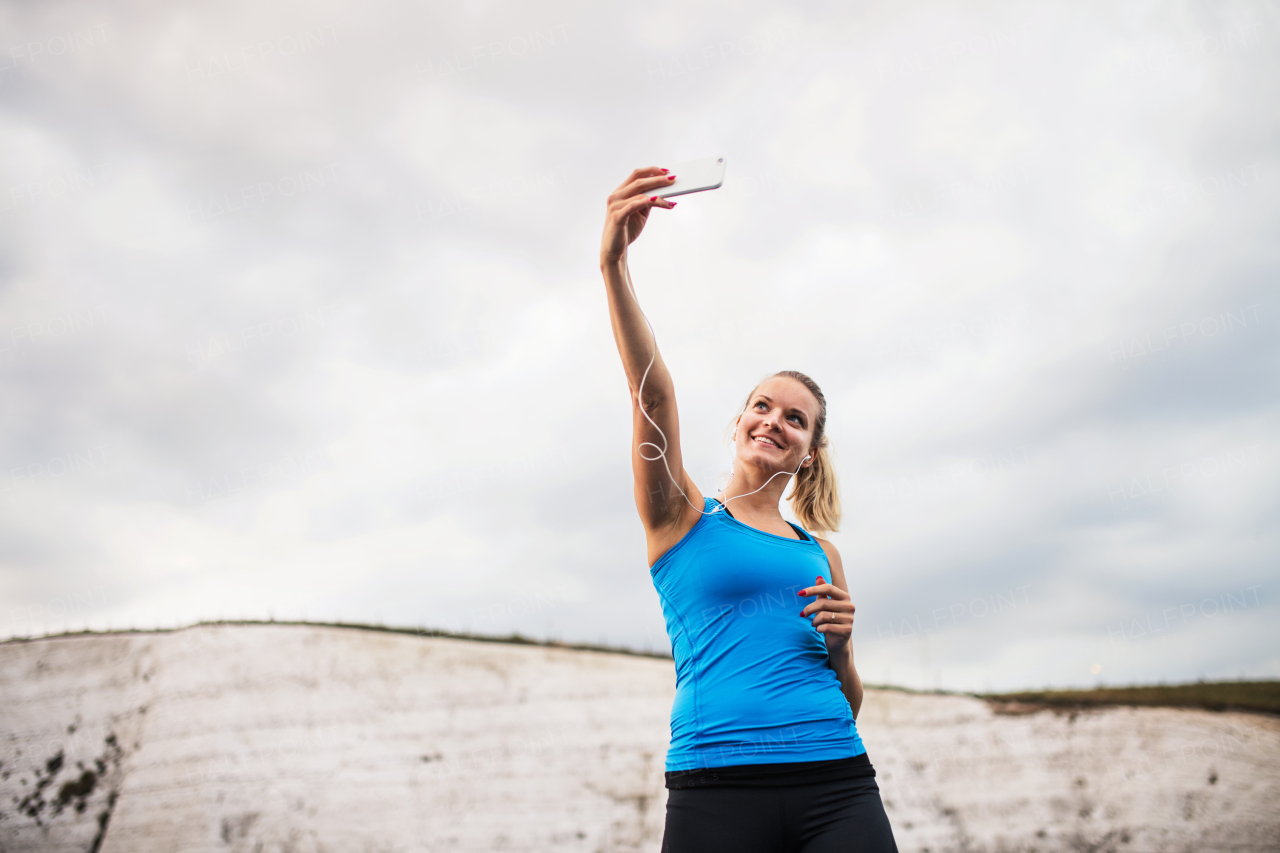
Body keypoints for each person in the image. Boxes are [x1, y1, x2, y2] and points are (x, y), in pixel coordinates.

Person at [599, 167, 899, 853]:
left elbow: (848, 696)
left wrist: (842, 648)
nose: (773, 420)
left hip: (838, 781)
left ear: (809, 452)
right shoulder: (681, 515)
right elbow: (653, 397)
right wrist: (615, 262)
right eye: (761, 405)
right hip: (716, 786)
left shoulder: (821, 554)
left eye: (795, 418)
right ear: (738, 422)